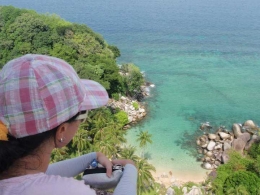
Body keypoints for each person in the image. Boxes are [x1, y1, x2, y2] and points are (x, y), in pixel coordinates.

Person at [0, 54, 137, 195]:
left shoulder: (9, 171)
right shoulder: (72, 191)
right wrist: (131, 170)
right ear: (62, 130)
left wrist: (92, 157)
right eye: (82, 115)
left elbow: (34, 178)